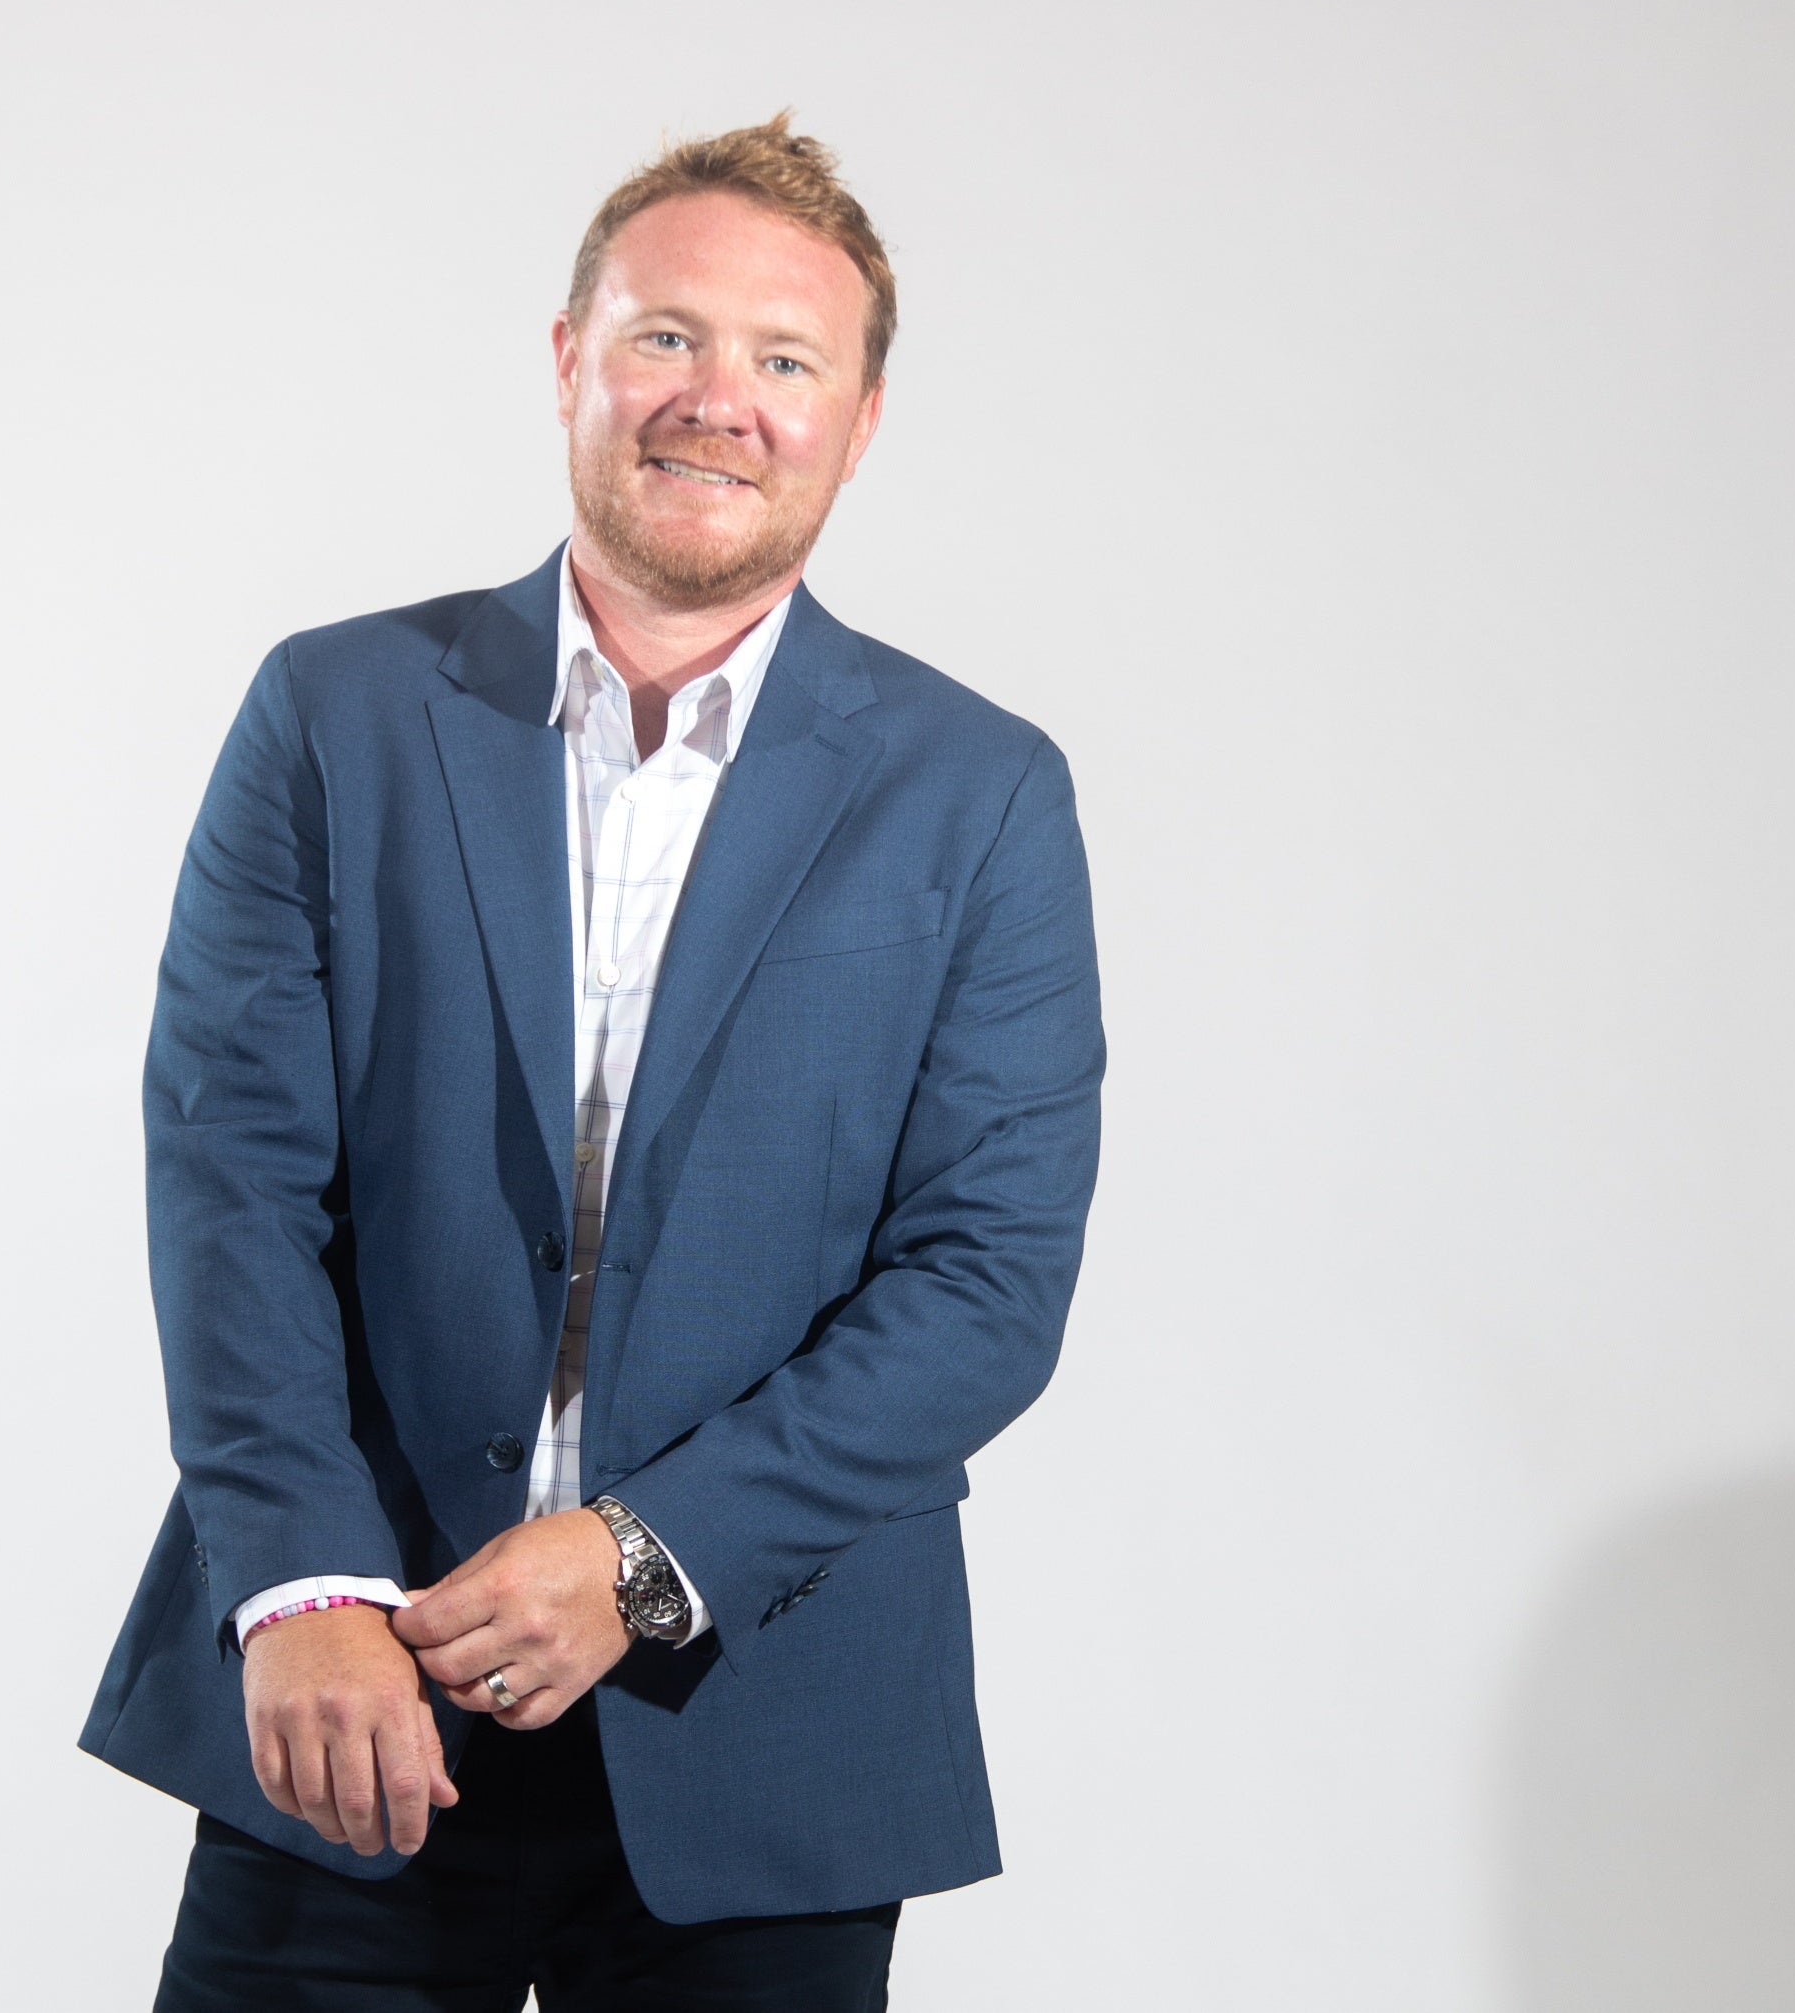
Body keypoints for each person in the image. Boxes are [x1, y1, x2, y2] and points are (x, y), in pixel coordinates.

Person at [80, 116, 1105, 2010]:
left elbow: (985, 1285)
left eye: (785, 360)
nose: (720, 401)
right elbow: (230, 1178)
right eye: (666, 338)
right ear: (568, 357)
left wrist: (637, 1556)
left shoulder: (981, 793)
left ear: (859, 419)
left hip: (764, 1718)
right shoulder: (335, 713)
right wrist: (301, 1581)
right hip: (358, 1700)